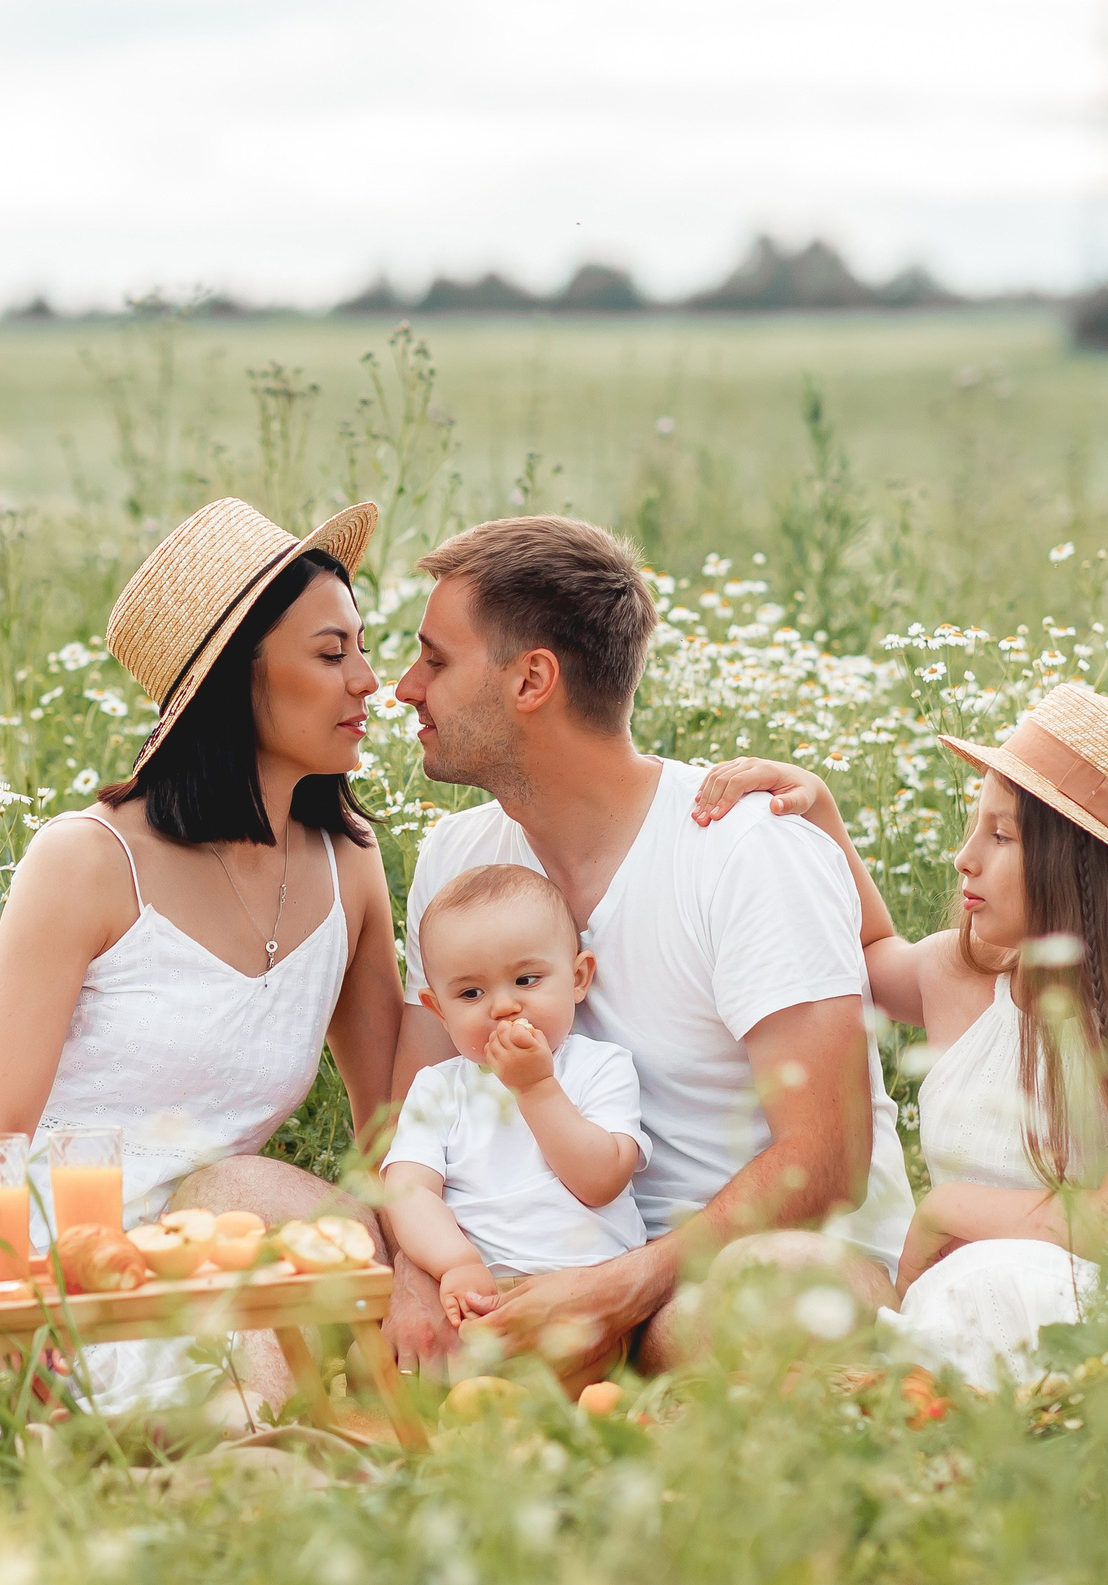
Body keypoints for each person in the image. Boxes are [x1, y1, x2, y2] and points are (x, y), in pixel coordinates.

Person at [388, 515, 915, 1387]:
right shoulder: (456, 862)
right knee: (267, 1224)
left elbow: (827, 1159)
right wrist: (421, 1273)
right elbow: (416, 1111)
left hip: (754, 1262)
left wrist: (614, 1291)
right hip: (522, 1264)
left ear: (532, 679)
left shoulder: (746, 851)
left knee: (725, 1314)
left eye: (436, 659)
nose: (406, 687)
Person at [0, 496, 408, 1408]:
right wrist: (7, 1314)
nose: (370, 679)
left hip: (205, 1236)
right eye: (332, 653)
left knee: (274, 1206)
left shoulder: (348, 862)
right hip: (28, 1242)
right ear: (237, 679)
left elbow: (389, 1122)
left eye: (363, 644)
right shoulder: (87, 861)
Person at [689, 679, 1108, 1386]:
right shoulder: (962, 971)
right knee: (756, 1271)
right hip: (943, 1293)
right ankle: (912, 1381)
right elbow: (872, 952)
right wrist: (823, 816)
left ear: (1081, 872)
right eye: (977, 826)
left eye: (1000, 835)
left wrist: (949, 1208)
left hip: (1072, 1307)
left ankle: (939, 1395)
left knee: (1007, 1289)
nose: (963, 857)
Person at [379, 864, 648, 1327]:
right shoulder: (438, 1088)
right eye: (471, 992)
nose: (503, 1006)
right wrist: (455, 1263)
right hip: (480, 1290)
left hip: (591, 1291)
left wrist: (537, 1088)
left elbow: (602, 1181)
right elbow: (407, 1190)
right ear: (439, 1011)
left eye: (526, 981)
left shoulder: (600, 1067)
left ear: (579, 977)